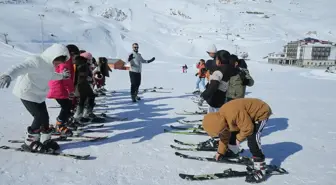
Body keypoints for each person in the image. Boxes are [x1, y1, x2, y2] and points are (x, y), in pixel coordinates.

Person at [0, 43, 71, 152]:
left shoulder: (50, 66)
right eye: (57, 61)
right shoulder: (36, 61)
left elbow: (51, 75)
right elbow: (20, 67)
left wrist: (62, 76)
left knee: (45, 117)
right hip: (27, 93)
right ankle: (29, 142)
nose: (58, 64)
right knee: (38, 116)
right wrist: (8, 75)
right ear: (52, 55)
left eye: (60, 62)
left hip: (39, 94)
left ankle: (45, 140)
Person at [202, 98, 272, 183]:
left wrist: (239, 138)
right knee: (231, 133)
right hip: (246, 117)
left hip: (260, 112)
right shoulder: (221, 120)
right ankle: (232, 151)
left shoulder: (233, 113)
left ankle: (260, 167)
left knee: (253, 139)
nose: (221, 133)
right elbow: (224, 136)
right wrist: (220, 152)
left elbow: (248, 128)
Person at [47, 45, 80, 136]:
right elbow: (66, 78)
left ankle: (62, 122)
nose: (75, 59)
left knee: (67, 106)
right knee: (66, 106)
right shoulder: (65, 62)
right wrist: (70, 91)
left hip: (57, 86)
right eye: (75, 57)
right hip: (58, 87)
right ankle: (60, 125)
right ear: (71, 54)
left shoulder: (66, 61)